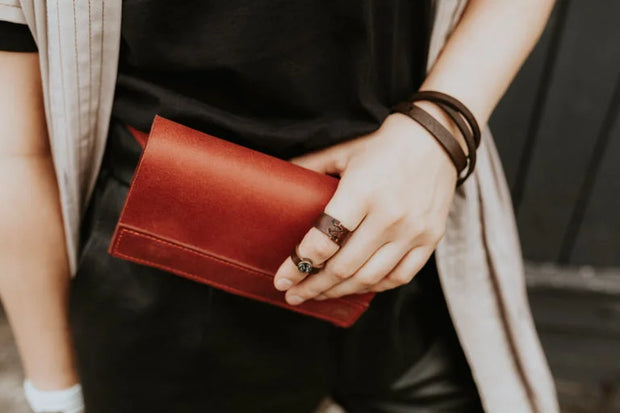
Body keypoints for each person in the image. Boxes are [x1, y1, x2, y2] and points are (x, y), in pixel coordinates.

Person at [0, 1, 559, 412]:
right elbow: (14, 150)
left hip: (412, 231)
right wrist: (57, 389)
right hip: (167, 273)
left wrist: (438, 131)